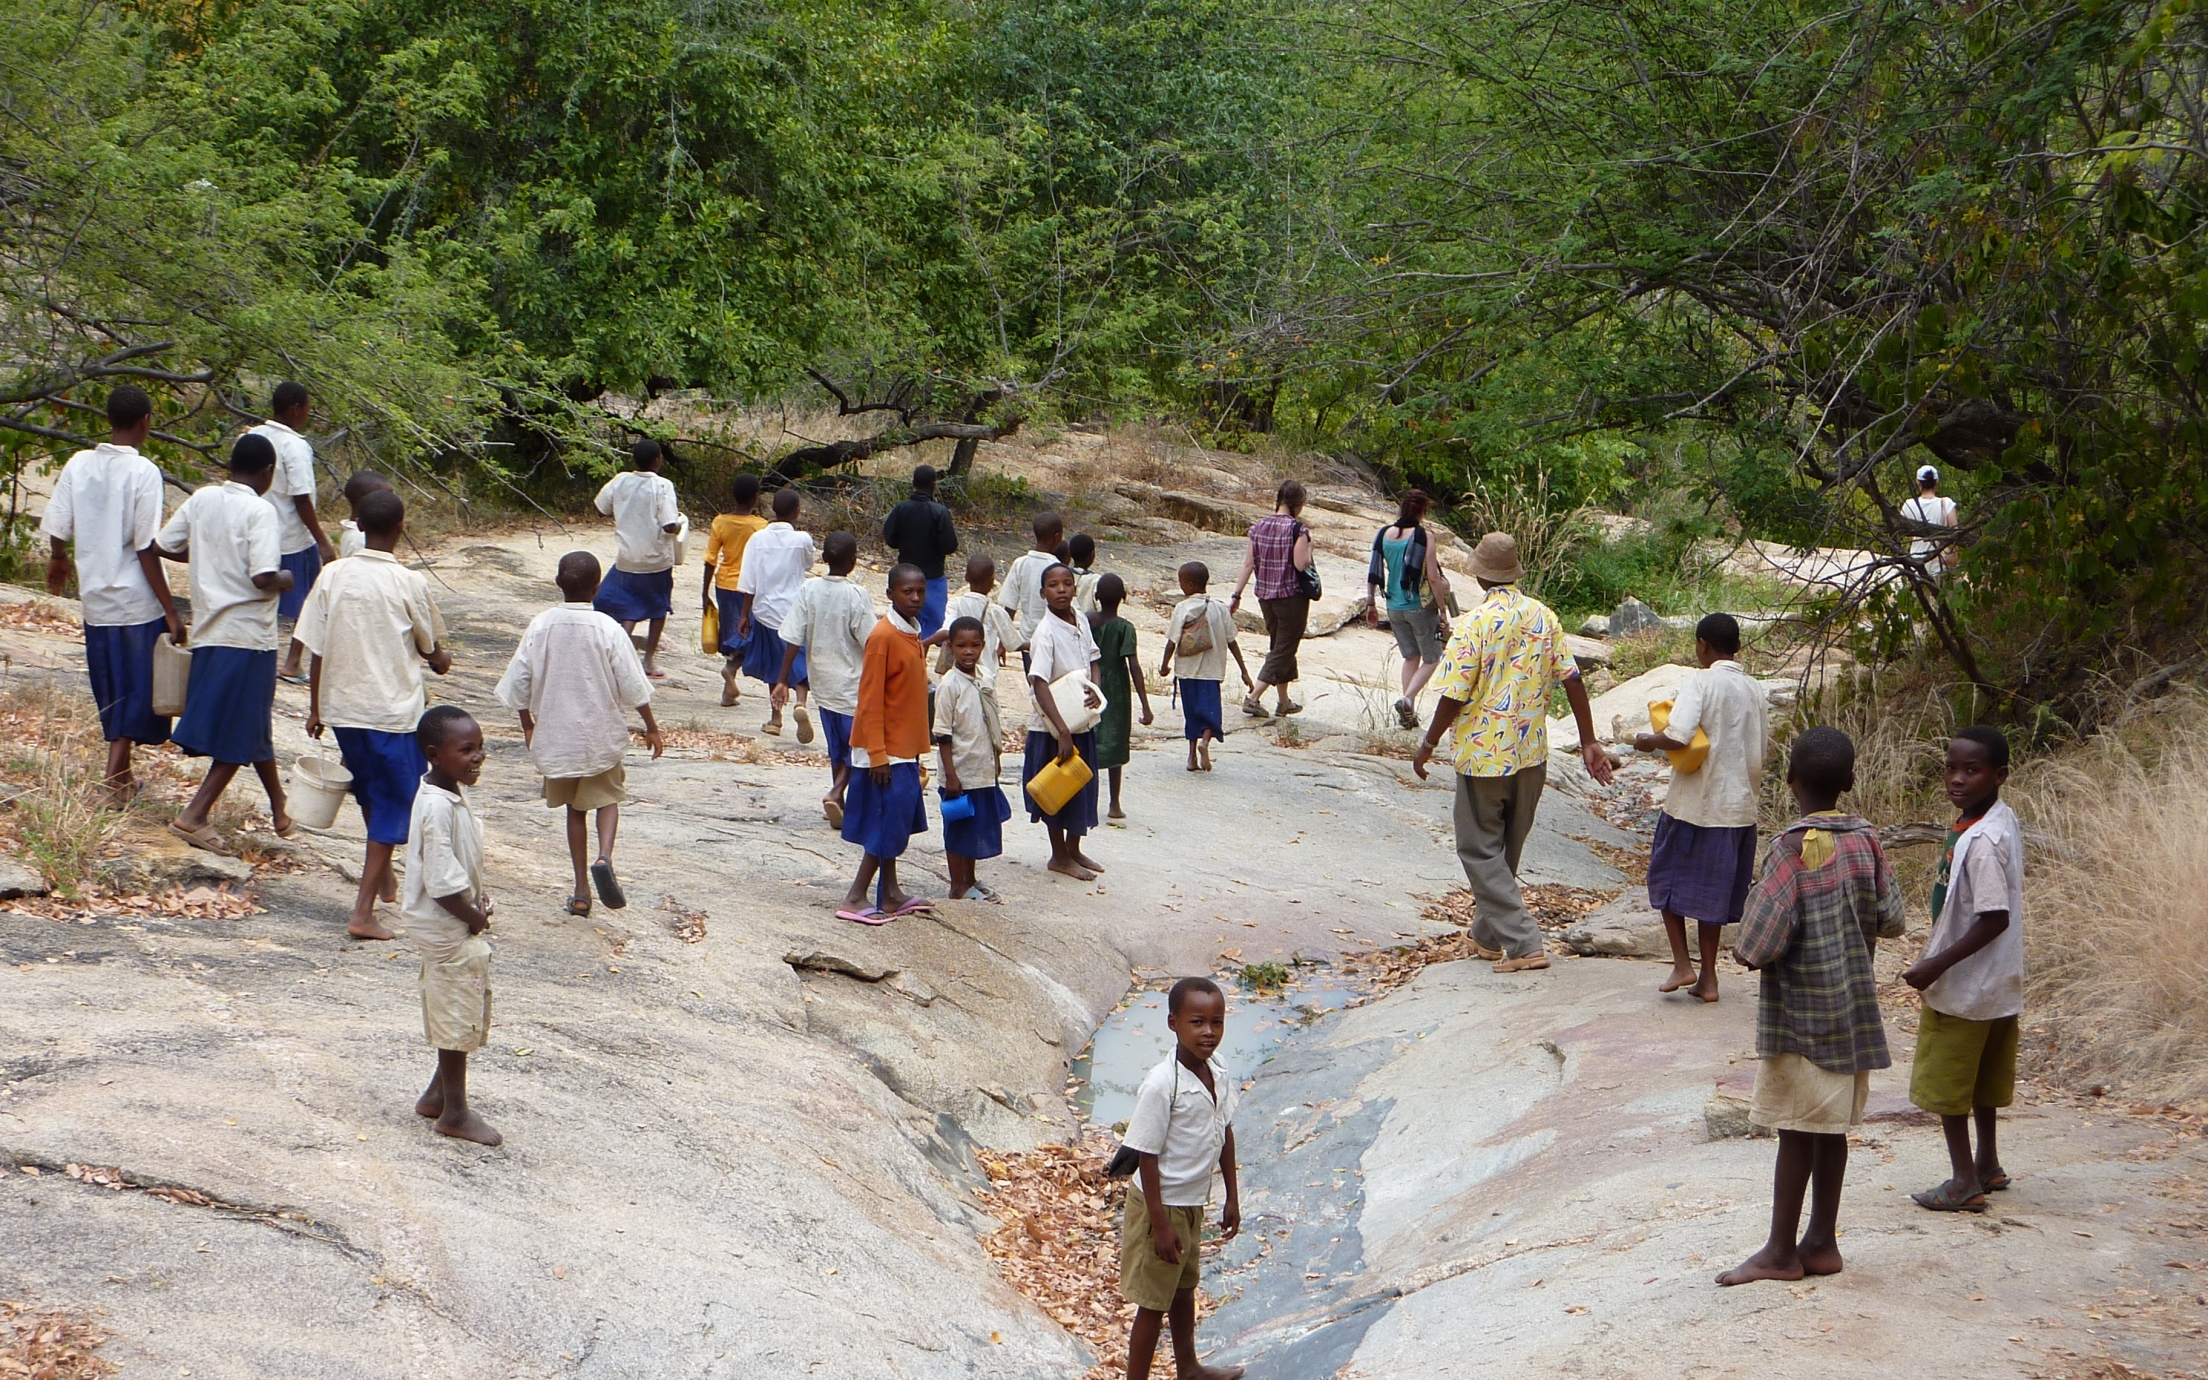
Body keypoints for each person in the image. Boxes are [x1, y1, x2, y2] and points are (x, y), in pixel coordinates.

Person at [1719, 727, 1906, 1285]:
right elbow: (1893, 918)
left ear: (1790, 780)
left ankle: (1780, 1251)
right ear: (1850, 782)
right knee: (1829, 1132)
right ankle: (1821, 1241)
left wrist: (1747, 949)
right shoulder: (1867, 841)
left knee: (1795, 1133)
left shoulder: (1792, 847)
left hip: (1801, 1019)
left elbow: (1758, 943)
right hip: (1851, 1014)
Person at [1410, 532, 1614, 972]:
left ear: (1481, 576)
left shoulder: (1473, 625)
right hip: (1530, 755)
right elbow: (1572, 679)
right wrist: (1589, 740)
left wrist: (1427, 743)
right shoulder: (1544, 617)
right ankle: (1486, 937)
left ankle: (1523, 943)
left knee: (1478, 848)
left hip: (1484, 756)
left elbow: (1453, 694)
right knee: (1506, 848)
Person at [298, 490, 454, 941]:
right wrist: (442, 659)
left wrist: (316, 708)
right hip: (393, 714)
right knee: (398, 803)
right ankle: (363, 912)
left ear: (358, 526)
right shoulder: (409, 583)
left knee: (370, 789)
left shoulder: (333, 575)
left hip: (345, 711)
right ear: (402, 528)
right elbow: (431, 648)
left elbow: (316, 645)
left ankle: (383, 877)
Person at [495, 552, 664, 917]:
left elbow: (519, 679)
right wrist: (651, 726)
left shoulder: (541, 625)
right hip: (599, 733)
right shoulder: (607, 628)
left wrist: (527, 722)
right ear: (597, 588)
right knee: (607, 798)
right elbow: (634, 684)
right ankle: (604, 856)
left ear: (558, 583)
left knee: (574, 810)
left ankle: (581, 890)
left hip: (558, 736)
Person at [148, 432, 295, 852]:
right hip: (248, 636)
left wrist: (211, 558)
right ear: (268, 472)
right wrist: (289, 578)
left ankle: (280, 807)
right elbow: (264, 577)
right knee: (240, 729)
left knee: (252, 720)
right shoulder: (260, 510)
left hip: (211, 631)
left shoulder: (203, 499)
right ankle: (194, 815)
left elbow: (162, 545)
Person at [1902, 726, 2024, 1214]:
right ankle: (1987, 1162)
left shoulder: (1985, 839)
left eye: (1971, 771)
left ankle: (1962, 1181)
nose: (1957, 779)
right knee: (1982, 1079)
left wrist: (1934, 964)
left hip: (1967, 984)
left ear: (1999, 775)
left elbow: (1994, 916)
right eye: (1951, 767)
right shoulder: (1999, 819)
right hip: (1997, 981)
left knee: (1949, 1084)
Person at [39, 385, 172, 803]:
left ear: (109, 419)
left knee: (111, 687)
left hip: (96, 597)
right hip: (136, 600)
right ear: (145, 422)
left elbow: (57, 526)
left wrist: (59, 559)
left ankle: (123, 778)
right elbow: (146, 544)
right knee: (137, 690)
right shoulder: (144, 472)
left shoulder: (79, 465)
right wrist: (171, 610)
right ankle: (113, 781)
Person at [1633, 612, 1769, 1003]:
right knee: (1715, 893)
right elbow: (1761, 749)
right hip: (1740, 808)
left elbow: (1677, 735)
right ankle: (1709, 979)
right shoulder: (1754, 688)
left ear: (1702, 645)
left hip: (1695, 804)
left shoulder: (1701, 680)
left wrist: (1647, 740)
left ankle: (1682, 962)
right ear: (1738, 648)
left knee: (1663, 878)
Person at [1119, 976, 1243, 1380]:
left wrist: (1231, 1197)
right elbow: (1146, 1154)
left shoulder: (1218, 1070)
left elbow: (1223, 1131)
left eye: (1217, 1022)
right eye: (1197, 1022)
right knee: (1152, 1303)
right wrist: (1159, 1224)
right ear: (1173, 1023)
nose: (1208, 1032)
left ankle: (1188, 1368)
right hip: (1161, 1205)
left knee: (1184, 1289)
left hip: (1192, 1201)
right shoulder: (1162, 1085)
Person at [403, 704, 500, 1147]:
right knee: (458, 1010)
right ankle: (456, 1113)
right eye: (466, 750)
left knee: (456, 1002)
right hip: (446, 927)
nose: (478, 757)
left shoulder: (449, 793)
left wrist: (476, 899)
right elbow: (441, 885)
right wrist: (474, 919)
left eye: (480, 747)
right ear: (434, 754)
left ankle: (436, 1096)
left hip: (450, 922)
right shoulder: (436, 807)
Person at [838, 565, 933, 923]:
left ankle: (890, 892)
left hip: (903, 748)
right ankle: (856, 895)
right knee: (885, 825)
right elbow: (870, 699)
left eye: (920, 591)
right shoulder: (883, 637)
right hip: (884, 752)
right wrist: (877, 753)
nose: (915, 598)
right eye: (907, 592)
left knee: (897, 821)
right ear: (891, 593)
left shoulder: (911, 632)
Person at [777, 532, 875, 828]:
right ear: (854, 562)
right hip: (851, 685)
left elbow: (793, 637)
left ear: (823, 559)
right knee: (857, 747)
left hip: (821, 682)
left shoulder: (810, 589)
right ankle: (837, 794)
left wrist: (783, 680)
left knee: (836, 747)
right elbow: (870, 640)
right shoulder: (857, 595)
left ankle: (840, 803)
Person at [1025, 562, 1107, 880]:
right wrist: (1061, 730)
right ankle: (1058, 855)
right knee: (1057, 791)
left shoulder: (1080, 619)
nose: (1061, 590)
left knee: (1082, 786)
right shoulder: (1045, 633)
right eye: (1053, 585)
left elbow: (1093, 660)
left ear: (1075, 588)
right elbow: (1039, 682)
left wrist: (1094, 691)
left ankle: (1074, 849)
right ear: (1043, 592)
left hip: (1081, 719)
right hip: (1054, 727)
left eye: (1067, 584)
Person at [254, 382, 335, 685]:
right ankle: (292, 661)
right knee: (310, 601)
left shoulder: (254, 435)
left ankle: (271, 657)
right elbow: (301, 497)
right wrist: (322, 540)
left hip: (256, 531)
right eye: (307, 408)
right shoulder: (295, 445)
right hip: (291, 537)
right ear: (296, 409)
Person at [935, 615, 1012, 902]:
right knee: (957, 830)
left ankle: (970, 879)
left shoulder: (984, 677)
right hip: (960, 774)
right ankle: (957, 885)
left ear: (983, 645)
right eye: (961, 646)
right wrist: (952, 776)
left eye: (975, 645)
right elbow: (942, 734)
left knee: (975, 828)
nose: (969, 651)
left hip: (982, 770)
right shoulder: (949, 686)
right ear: (950, 647)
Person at [591, 439, 684, 678]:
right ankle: (648, 660)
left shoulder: (620, 480)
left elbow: (600, 507)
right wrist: (681, 523)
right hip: (655, 561)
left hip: (627, 558)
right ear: (658, 461)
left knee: (626, 607)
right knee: (657, 608)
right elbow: (669, 524)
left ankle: (619, 657)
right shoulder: (662, 486)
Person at [1365, 489, 1453, 729]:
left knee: (1410, 656)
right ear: (1423, 511)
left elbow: (1373, 571)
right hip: (1418, 605)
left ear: (1401, 507)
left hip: (1393, 604)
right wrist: (1443, 610)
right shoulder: (1424, 536)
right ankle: (1407, 699)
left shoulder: (1384, 534)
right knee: (1432, 658)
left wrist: (1371, 603)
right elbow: (1433, 578)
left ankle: (1408, 713)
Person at [736, 487, 818, 739]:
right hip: (795, 609)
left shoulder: (757, 539)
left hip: (765, 611)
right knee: (799, 660)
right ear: (797, 512)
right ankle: (801, 703)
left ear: (773, 510)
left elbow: (749, 581)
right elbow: (808, 563)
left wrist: (744, 614)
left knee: (775, 666)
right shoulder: (802, 539)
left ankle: (775, 718)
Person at [1228, 479, 1314, 720]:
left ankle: (1284, 701)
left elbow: (1248, 564)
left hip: (1265, 597)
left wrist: (1236, 595)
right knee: (1285, 647)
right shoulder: (1299, 529)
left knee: (1279, 644)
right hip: (1291, 597)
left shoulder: (1258, 527)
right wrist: (1309, 548)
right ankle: (1253, 697)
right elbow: (1300, 564)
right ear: (1298, 504)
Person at [1159, 561, 1250, 774]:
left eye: (1181, 583)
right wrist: (1244, 670)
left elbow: (1172, 641)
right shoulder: (1219, 608)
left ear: (1189, 585)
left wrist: (1164, 665)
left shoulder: (1182, 608)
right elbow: (1232, 641)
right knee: (1211, 713)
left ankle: (1191, 756)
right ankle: (1206, 742)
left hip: (1187, 672)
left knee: (1191, 714)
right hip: (1212, 671)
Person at [1089, 573, 1153, 819]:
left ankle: (1089, 801)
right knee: (1115, 745)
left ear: (1096, 596)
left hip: (1089, 686)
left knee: (1090, 744)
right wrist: (1145, 705)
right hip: (1116, 692)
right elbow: (1134, 666)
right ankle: (1114, 803)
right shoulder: (1125, 627)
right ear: (1124, 598)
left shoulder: (1087, 621)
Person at [702, 473, 768, 705]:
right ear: (754, 498)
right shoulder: (760, 526)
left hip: (724, 585)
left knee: (733, 635)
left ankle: (727, 695)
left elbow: (710, 559)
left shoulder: (720, 522)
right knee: (748, 636)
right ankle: (730, 671)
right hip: (749, 588)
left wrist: (705, 593)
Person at [880, 464, 959, 638]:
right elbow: (950, 545)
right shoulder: (939, 512)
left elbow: (890, 538)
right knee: (934, 627)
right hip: (933, 579)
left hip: (905, 577)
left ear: (913, 483)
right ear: (933, 485)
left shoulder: (901, 509)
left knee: (904, 625)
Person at [937, 553, 1023, 689]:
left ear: (966, 578)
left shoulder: (955, 603)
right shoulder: (995, 611)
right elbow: (1014, 644)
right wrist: (1034, 643)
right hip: (986, 676)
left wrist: (924, 642)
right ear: (992, 581)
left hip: (958, 672)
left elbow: (946, 631)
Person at [1000, 511, 1066, 662]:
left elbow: (1009, 606)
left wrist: (1003, 642)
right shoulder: (1058, 569)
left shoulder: (1020, 563)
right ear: (1057, 537)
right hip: (1053, 640)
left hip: (1027, 640)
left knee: (1033, 683)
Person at [1901, 464, 1959, 576]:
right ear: (1936, 482)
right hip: (1941, 566)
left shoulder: (1908, 505)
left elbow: (1907, 534)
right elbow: (1955, 532)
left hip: (1916, 564)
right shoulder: (1946, 503)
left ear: (1918, 482)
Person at [335, 472, 395, 560]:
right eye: (384, 496)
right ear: (365, 499)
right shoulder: (359, 539)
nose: (391, 501)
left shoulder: (360, 533)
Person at [1068, 532, 1103, 614]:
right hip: (1088, 625)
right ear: (1092, 554)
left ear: (1070, 554)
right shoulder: (1096, 580)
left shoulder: (1063, 575)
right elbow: (1101, 608)